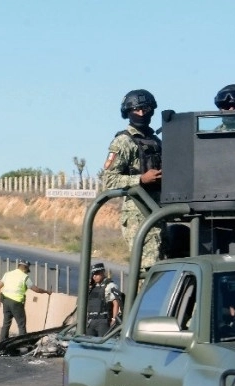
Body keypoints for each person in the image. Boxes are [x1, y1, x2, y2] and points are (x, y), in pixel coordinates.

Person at [102, 89, 167, 270]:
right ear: (128, 112)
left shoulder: (156, 141)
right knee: (147, 268)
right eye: (136, 110)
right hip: (138, 213)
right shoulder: (123, 141)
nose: (141, 114)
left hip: (159, 209)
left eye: (145, 109)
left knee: (163, 265)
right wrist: (141, 179)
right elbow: (108, 180)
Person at [0, 259, 51, 343]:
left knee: (6, 323)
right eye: (27, 270)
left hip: (5, 301)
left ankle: (2, 342)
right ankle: (22, 343)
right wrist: (46, 292)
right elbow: (36, 289)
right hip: (16, 303)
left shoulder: (8, 274)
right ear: (25, 268)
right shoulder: (25, 277)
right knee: (21, 324)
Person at [86, 262, 121, 336]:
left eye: (97, 274)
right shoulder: (92, 287)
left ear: (102, 273)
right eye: (93, 274)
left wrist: (114, 319)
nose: (94, 276)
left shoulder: (110, 286)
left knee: (102, 343)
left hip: (103, 321)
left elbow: (116, 303)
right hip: (91, 320)